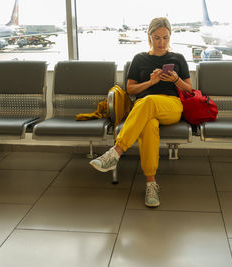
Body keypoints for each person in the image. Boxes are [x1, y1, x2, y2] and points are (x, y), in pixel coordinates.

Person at [90, 17, 192, 207]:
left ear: (170, 37)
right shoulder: (139, 59)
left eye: (165, 38)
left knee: (149, 101)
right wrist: (151, 83)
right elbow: (131, 90)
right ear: (149, 37)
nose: (161, 43)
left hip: (171, 106)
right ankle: (151, 184)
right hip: (143, 108)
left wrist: (176, 79)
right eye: (157, 38)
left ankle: (116, 152)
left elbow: (188, 89)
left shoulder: (177, 58)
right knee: (149, 122)